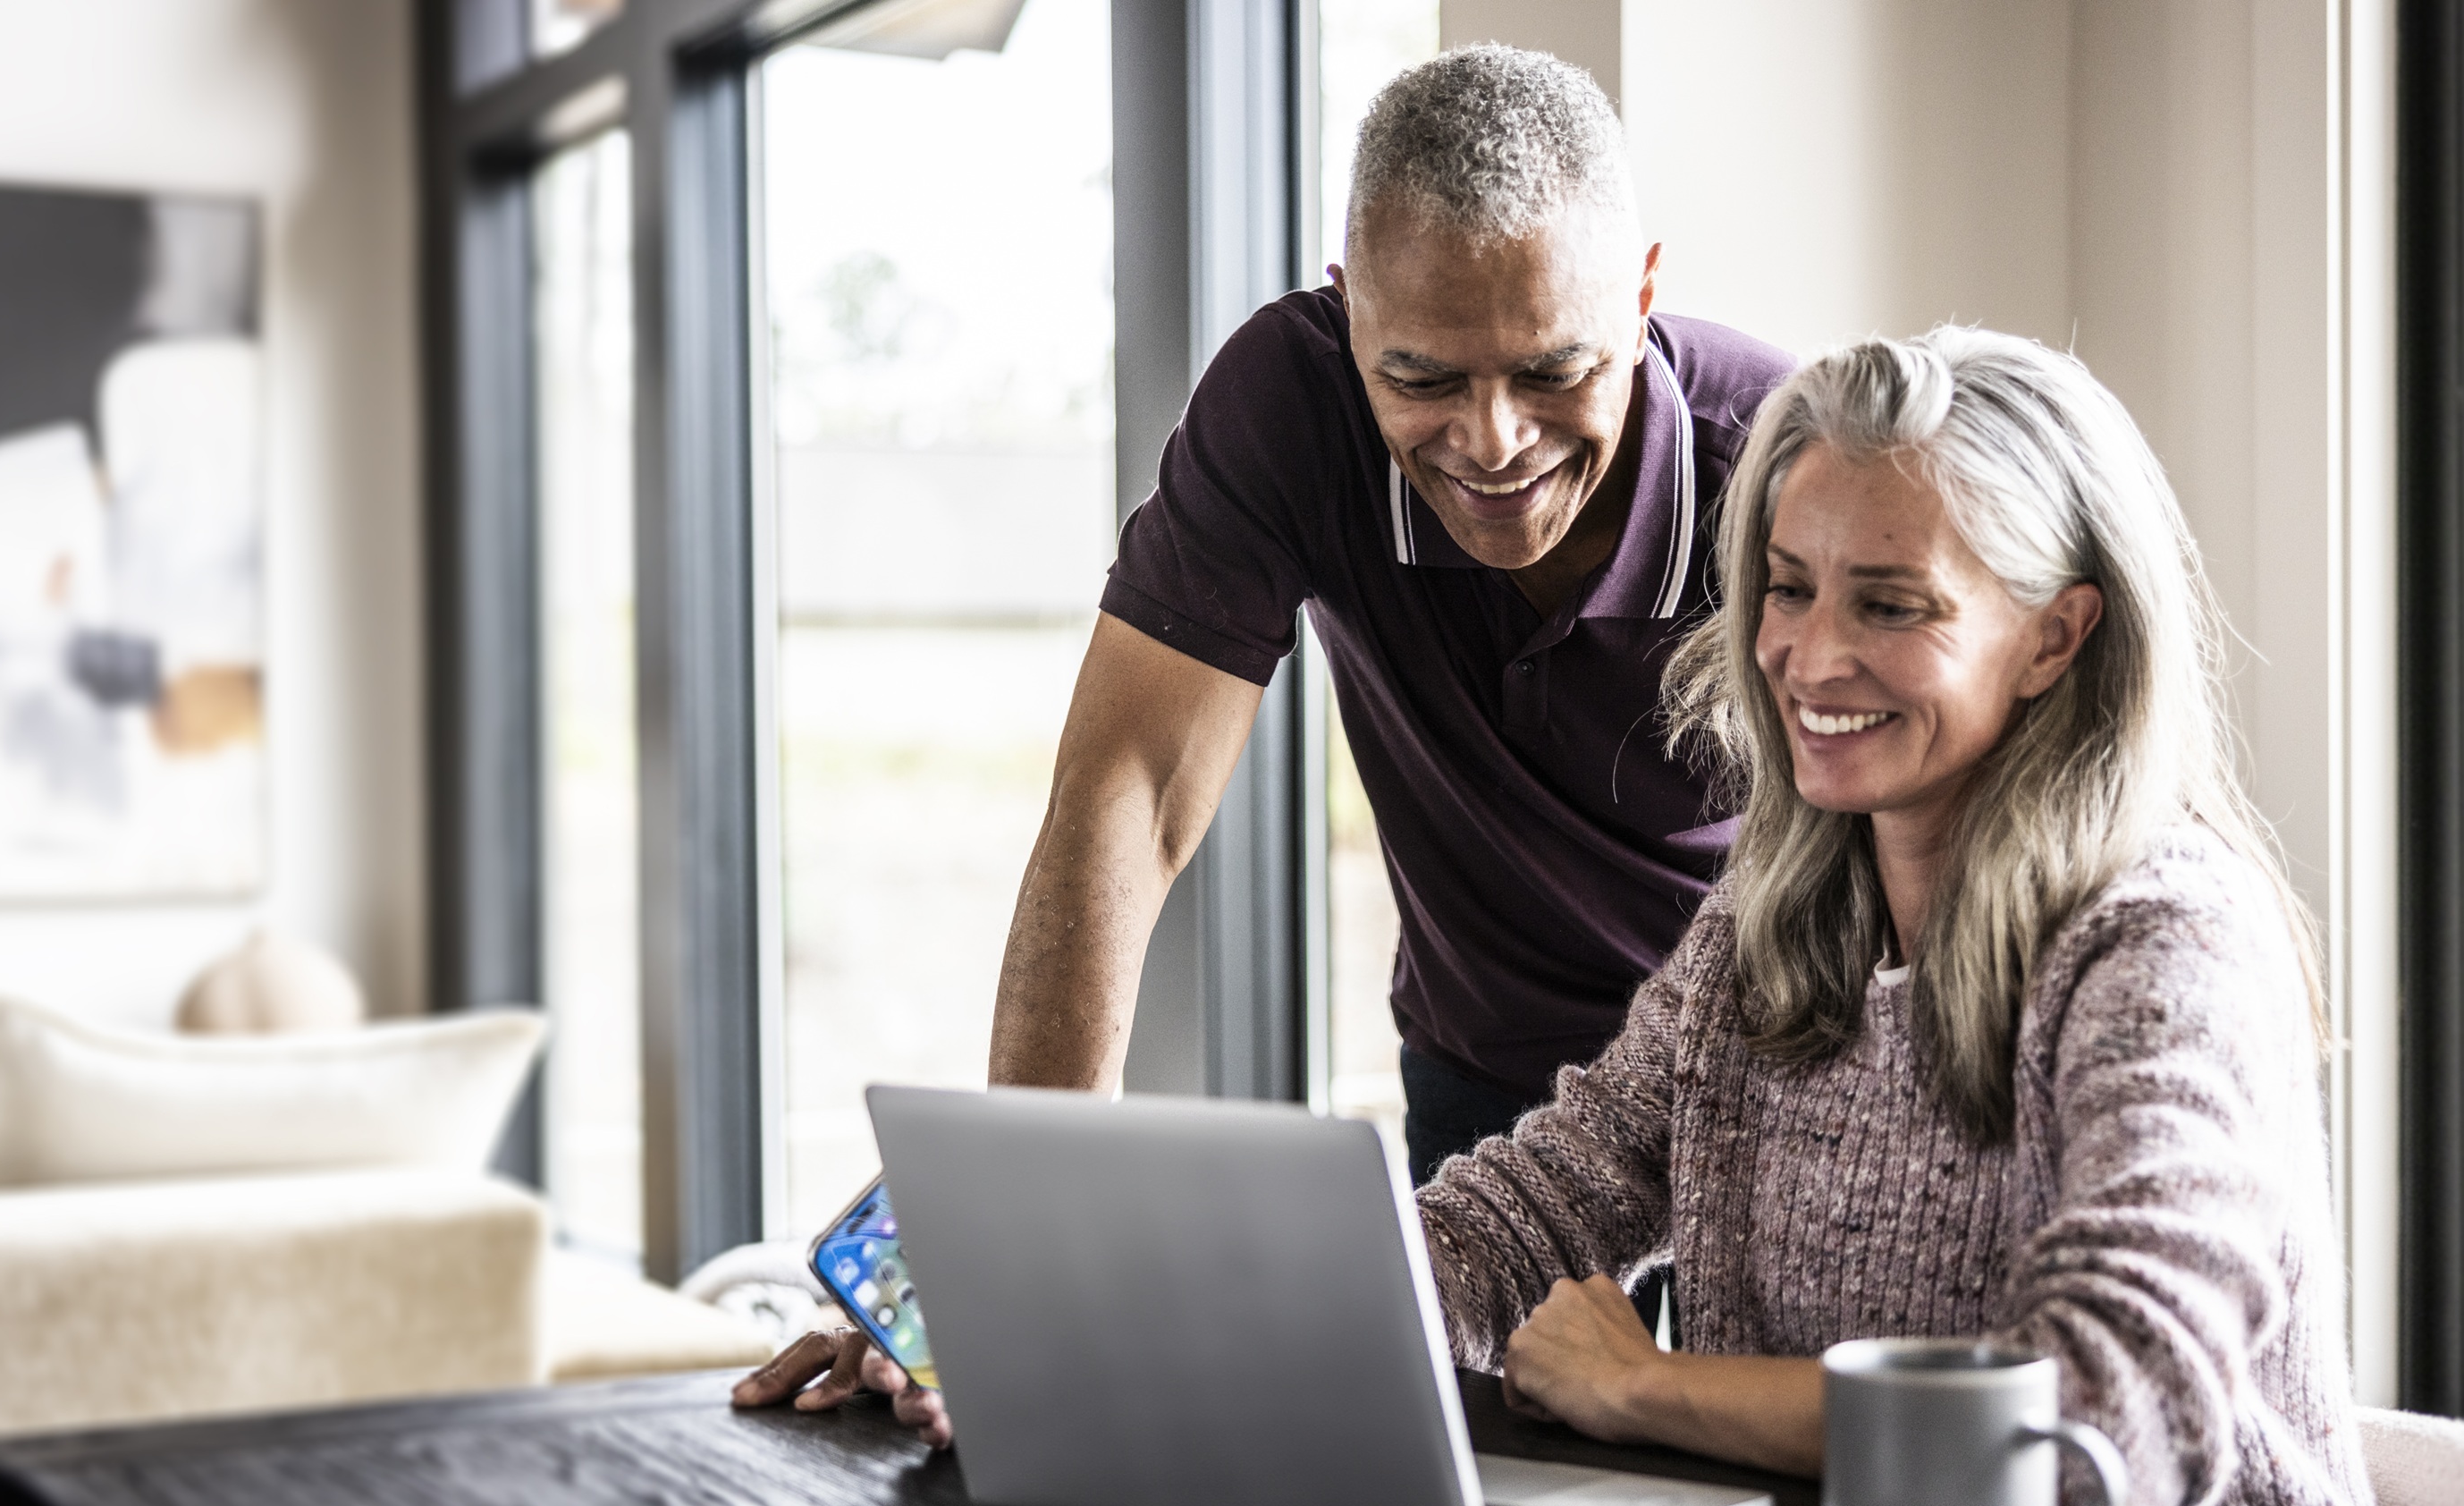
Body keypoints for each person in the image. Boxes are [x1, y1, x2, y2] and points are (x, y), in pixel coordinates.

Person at [738, 46, 1791, 1420]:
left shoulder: (1776, 463)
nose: (1492, 440)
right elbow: (1129, 787)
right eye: (1422, 378)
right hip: (1490, 1098)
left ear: (1641, 294)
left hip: (1756, 1095)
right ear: (1349, 315)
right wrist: (1010, 1246)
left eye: (1552, 370)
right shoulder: (1291, 406)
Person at [1413, 327, 2411, 1506]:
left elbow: (2106, 1410)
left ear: (2054, 639)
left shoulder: (2162, 944)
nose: (1811, 657)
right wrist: (1283, 1311)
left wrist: (1654, 1389)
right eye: (1788, 586)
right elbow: (1537, 1213)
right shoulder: (1772, 923)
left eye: (1891, 604)